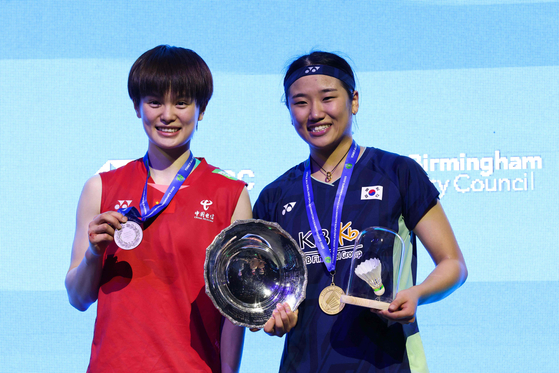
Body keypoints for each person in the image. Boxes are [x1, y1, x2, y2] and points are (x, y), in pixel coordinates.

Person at [252, 51, 468, 372]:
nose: (315, 113)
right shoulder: (275, 195)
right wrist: (273, 314)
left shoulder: (397, 173)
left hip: (390, 363)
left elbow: (453, 264)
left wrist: (418, 294)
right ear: (288, 109)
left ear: (353, 101)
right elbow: (264, 293)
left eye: (328, 98)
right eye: (300, 102)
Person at [65, 45, 251, 373]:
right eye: (154, 102)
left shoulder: (231, 195)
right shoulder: (101, 187)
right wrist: (94, 253)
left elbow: (233, 316)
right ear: (138, 107)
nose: (167, 115)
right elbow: (78, 299)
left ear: (201, 109)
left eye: (181, 102)